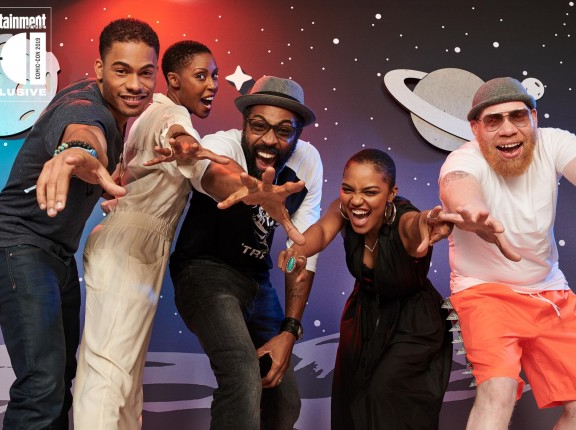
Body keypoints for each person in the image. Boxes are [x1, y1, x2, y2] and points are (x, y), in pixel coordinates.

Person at [0, 18, 160, 429]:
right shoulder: (84, 105)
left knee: (58, 380)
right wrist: (77, 152)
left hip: (54, 255)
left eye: (146, 72)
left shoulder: (119, 115)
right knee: (41, 385)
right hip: (17, 247)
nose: (135, 84)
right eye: (122, 70)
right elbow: (81, 131)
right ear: (99, 69)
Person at [72, 39, 230, 429]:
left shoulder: (148, 112)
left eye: (215, 76)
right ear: (173, 80)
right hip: (130, 244)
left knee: (122, 371)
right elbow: (173, 132)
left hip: (133, 244)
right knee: (109, 370)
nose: (212, 85)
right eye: (201, 76)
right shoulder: (170, 112)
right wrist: (184, 141)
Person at [169, 75, 323, 429]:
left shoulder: (308, 163)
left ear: (298, 134)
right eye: (259, 126)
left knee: (284, 400)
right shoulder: (218, 144)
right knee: (242, 373)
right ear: (244, 122)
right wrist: (254, 191)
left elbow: (301, 252)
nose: (269, 140)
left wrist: (289, 330)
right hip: (204, 272)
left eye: (284, 131)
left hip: (257, 282)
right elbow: (211, 175)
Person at [278, 148, 453, 429]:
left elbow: (416, 224)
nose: (356, 200)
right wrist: (297, 251)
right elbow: (321, 231)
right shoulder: (344, 209)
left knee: (384, 401)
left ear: (391, 193)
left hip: (413, 324)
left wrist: (428, 222)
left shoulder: (404, 221)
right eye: (348, 189)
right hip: (363, 319)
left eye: (370, 192)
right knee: (352, 406)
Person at [438, 77, 576, 430]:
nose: (508, 129)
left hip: (549, 291)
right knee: (496, 393)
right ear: (475, 129)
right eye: (493, 120)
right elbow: (458, 185)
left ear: (534, 118)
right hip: (485, 293)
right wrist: (472, 212)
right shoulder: (462, 159)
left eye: (517, 116)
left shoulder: (554, 143)